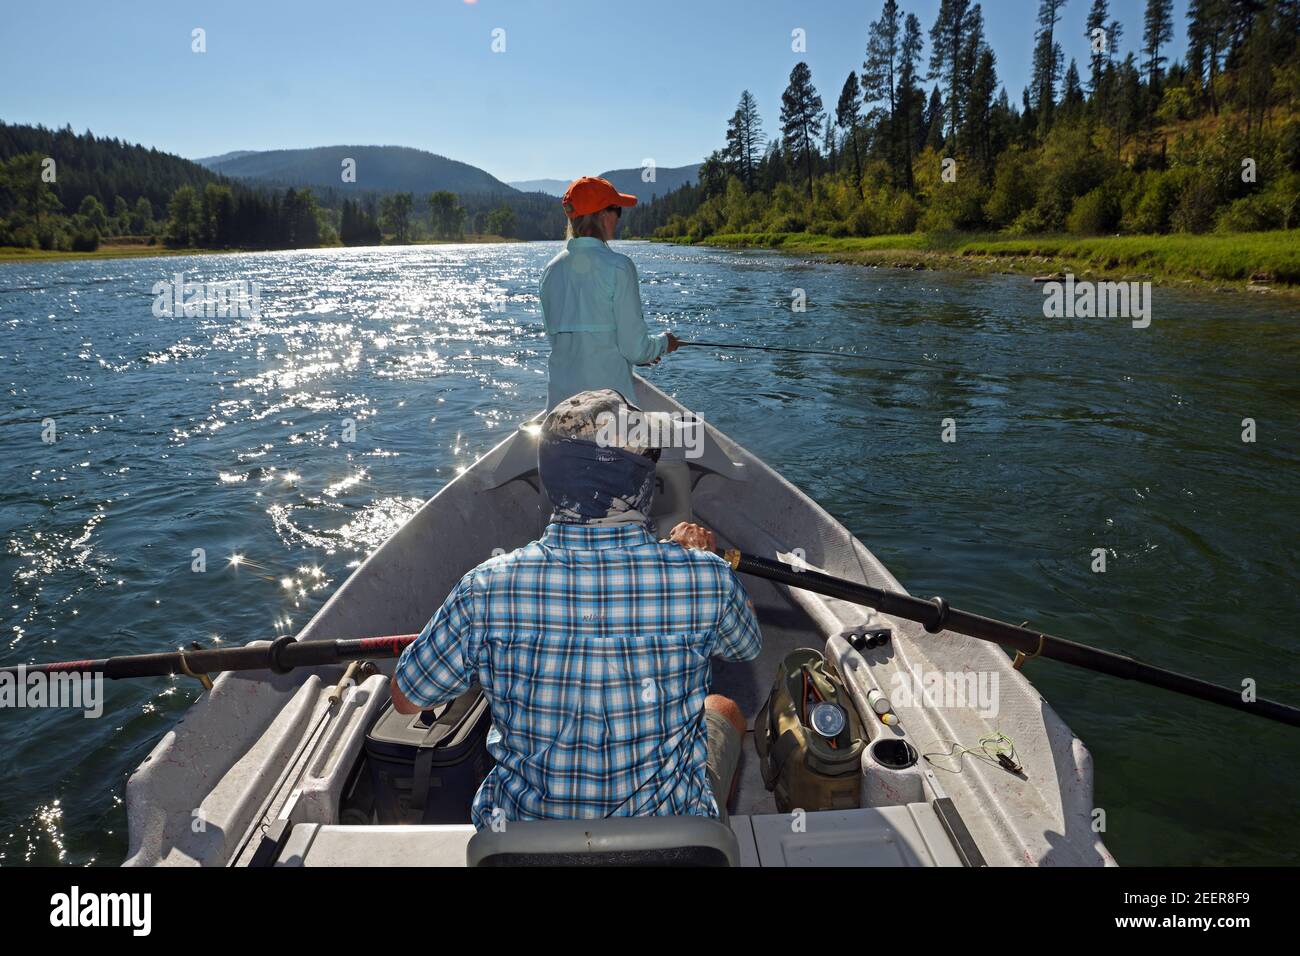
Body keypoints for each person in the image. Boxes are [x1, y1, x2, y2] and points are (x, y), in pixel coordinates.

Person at [391, 388, 759, 826]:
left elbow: (406, 699)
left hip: (523, 846)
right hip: (665, 843)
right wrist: (705, 562)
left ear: (552, 481)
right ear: (642, 484)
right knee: (725, 710)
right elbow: (746, 646)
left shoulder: (485, 587)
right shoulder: (704, 579)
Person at [539, 176, 680, 410]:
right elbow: (636, 350)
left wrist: (634, 353)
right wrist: (664, 343)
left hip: (560, 412)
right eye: (617, 210)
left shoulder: (550, 271)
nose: (618, 218)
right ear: (603, 215)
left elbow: (572, 343)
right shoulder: (619, 266)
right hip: (608, 414)